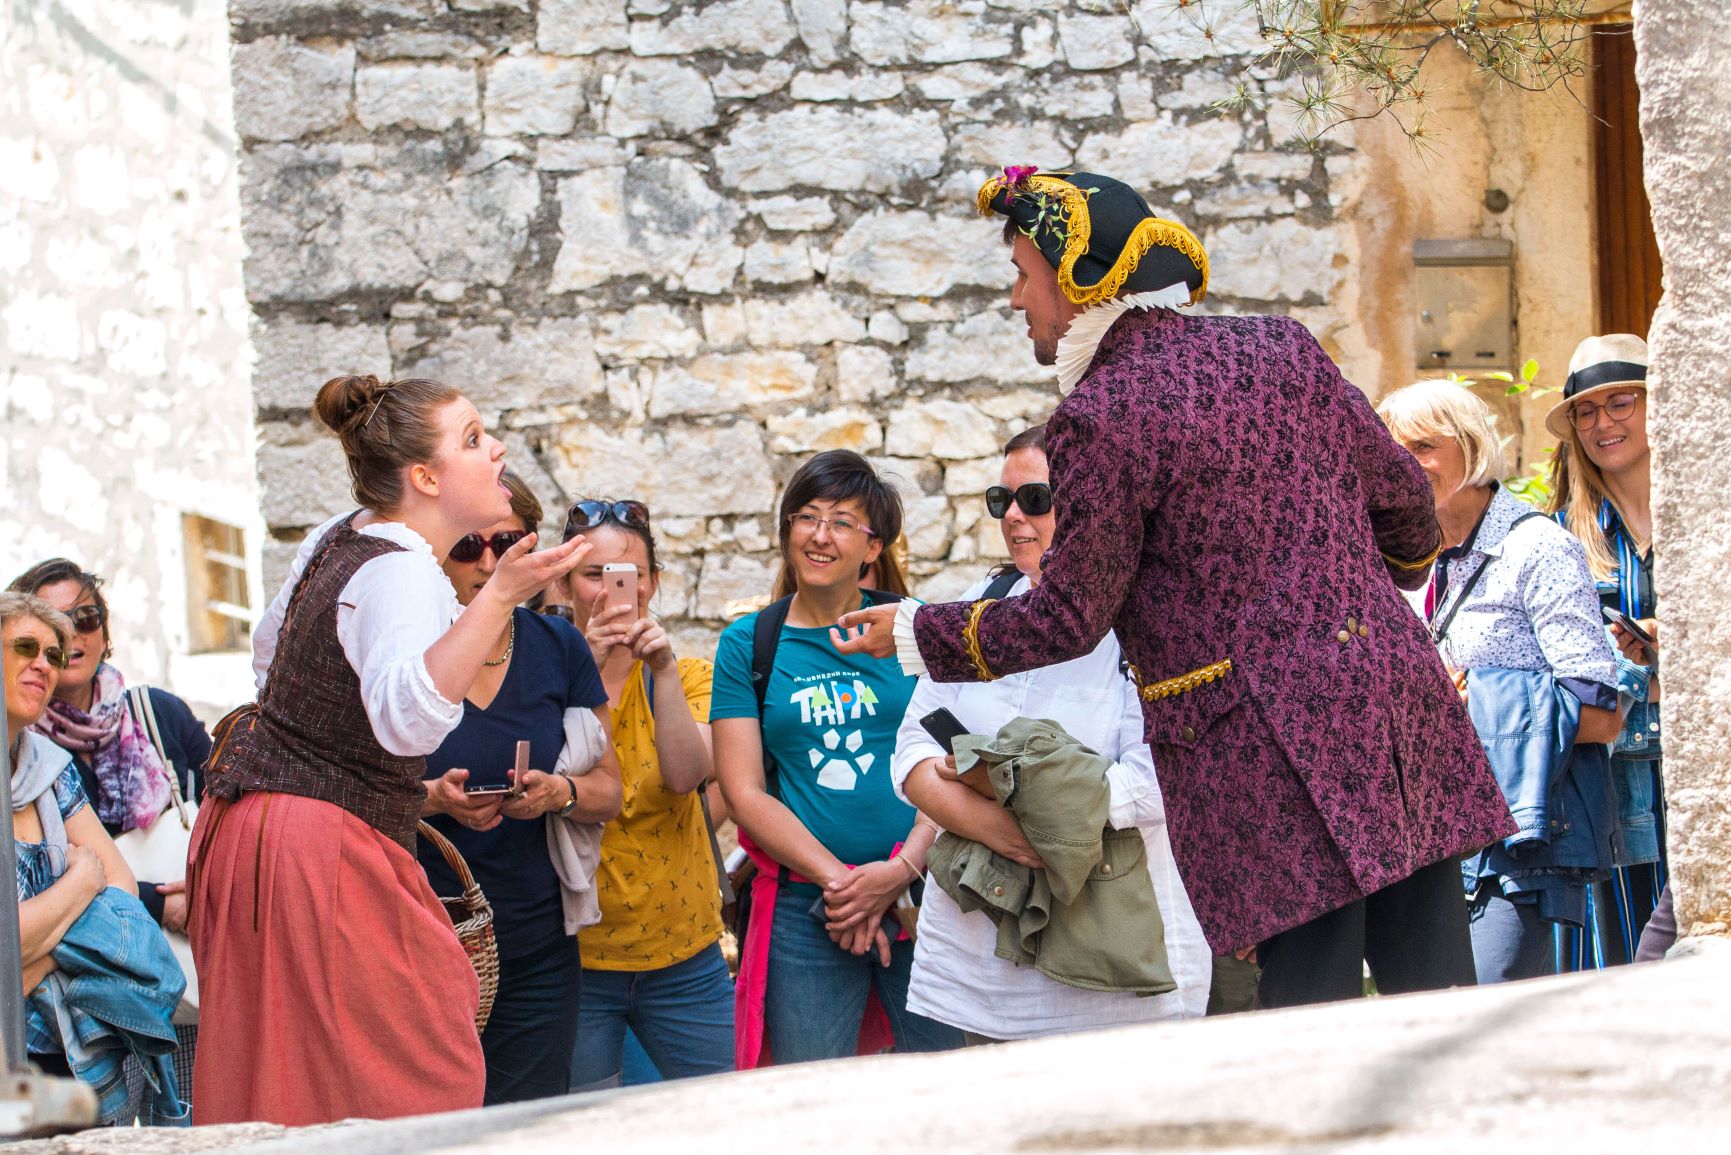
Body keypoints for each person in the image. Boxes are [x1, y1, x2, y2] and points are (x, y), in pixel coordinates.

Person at [835, 166, 1515, 1008]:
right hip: (1388, 698)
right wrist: (1375, 593)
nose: (1015, 299)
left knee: (1314, 1006)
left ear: (1076, 280)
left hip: (1261, 744)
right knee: (1437, 987)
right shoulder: (1282, 346)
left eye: (1021, 274)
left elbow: (1068, 617)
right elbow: (1407, 503)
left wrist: (913, 629)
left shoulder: (1100, 413)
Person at [186, 374, 588, 1126]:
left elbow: (271, 657)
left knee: (289, 1067)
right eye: (473, 438)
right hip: (317, 843)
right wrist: (499, 596)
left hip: (263, 824)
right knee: (415, 1064)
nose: (497, 448)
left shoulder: (345, 533)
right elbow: (407, 721)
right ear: (426, 478)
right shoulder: (401, 566)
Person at [892, 426, 1210, 1041]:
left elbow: (1155, 782)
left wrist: (995, 787)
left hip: (1111, 967)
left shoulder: (1154, 626)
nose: (1013, 516)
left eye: (1035, 499)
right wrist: (1003, 828)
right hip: (981, 962)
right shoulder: (978, 605)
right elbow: (912, 751)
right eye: (1001, 500)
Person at [712, 450, 963, 1064]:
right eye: (808, 517)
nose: (820, 536)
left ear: (875, 545)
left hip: (925, 895)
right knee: (815, 1097)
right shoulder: (749, 644)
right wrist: (844, 887)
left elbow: (958, 763)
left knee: (950, 1089)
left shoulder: (915, 631)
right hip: (808, 911)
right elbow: (744, 792)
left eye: (843, 522)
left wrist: (900, 872)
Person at [1378, 379, 1623, 981]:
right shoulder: (1400, 561)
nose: (1405, 464)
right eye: (1393, 451)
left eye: (1423, 447)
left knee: (1492, 1011)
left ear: (1470, 447)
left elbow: (1600, 715)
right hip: (1428, 844)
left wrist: (1473, 698)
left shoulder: (1538, 548)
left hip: (1517, 845)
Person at [419, 471, 621, 1105]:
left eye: (506, 543)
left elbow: (609, 791)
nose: (489, 563)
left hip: (537, 949)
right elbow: (349, 798)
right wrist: (432, 799)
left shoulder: (558, 646)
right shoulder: (406, 651)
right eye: (466, 545)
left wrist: (558, 793)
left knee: (529, 1131)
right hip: (423, 946)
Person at [8, 559, 210, 1110]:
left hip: (158, 964)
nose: (65, 644)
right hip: (61, 1018)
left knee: (184, 1118)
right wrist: (99, 888)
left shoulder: (148, 717)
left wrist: (204, 892)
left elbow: (226, 813)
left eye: (85, 618)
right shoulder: (36, 745)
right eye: (31, 643)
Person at [563, 498, 736, 1090]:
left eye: (629, 575)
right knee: (588, 1124)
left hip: (685, 957)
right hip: (578, 959)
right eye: (593, 575)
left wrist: (660, 669)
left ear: (653, 584)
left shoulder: (688, 677)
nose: (612, 591)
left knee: (725, 1111)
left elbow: (688, 776)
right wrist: (584, 669)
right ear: (563, 583)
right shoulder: (542, 681)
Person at [1544, 335, 1672, 966]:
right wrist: (1647, 669)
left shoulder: (1707, 515)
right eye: (1586, 412)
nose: (1602, 423)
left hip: (1706, 763)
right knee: (1622, 963)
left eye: (1621, 402)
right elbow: (1558, 666)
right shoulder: (1560, 536)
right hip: (1614, 785)